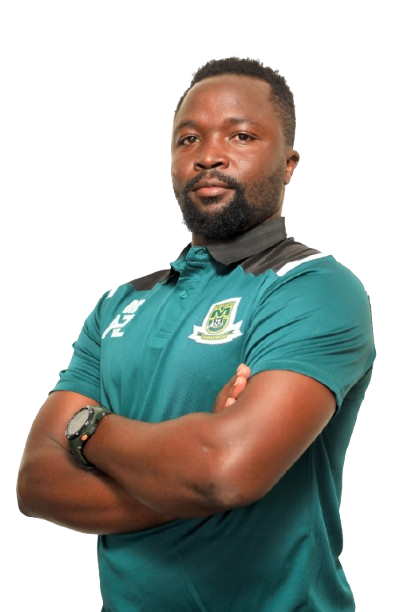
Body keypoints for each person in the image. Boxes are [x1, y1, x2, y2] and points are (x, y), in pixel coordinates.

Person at [16, 56, 376, 611]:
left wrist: (88, 429)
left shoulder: (313, 287)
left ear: (289, 163)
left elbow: (223, 474)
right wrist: (186, 475)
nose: (209, 155)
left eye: (241, 135)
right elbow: (37, 483)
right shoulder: (118, 305)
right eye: (189, 138)